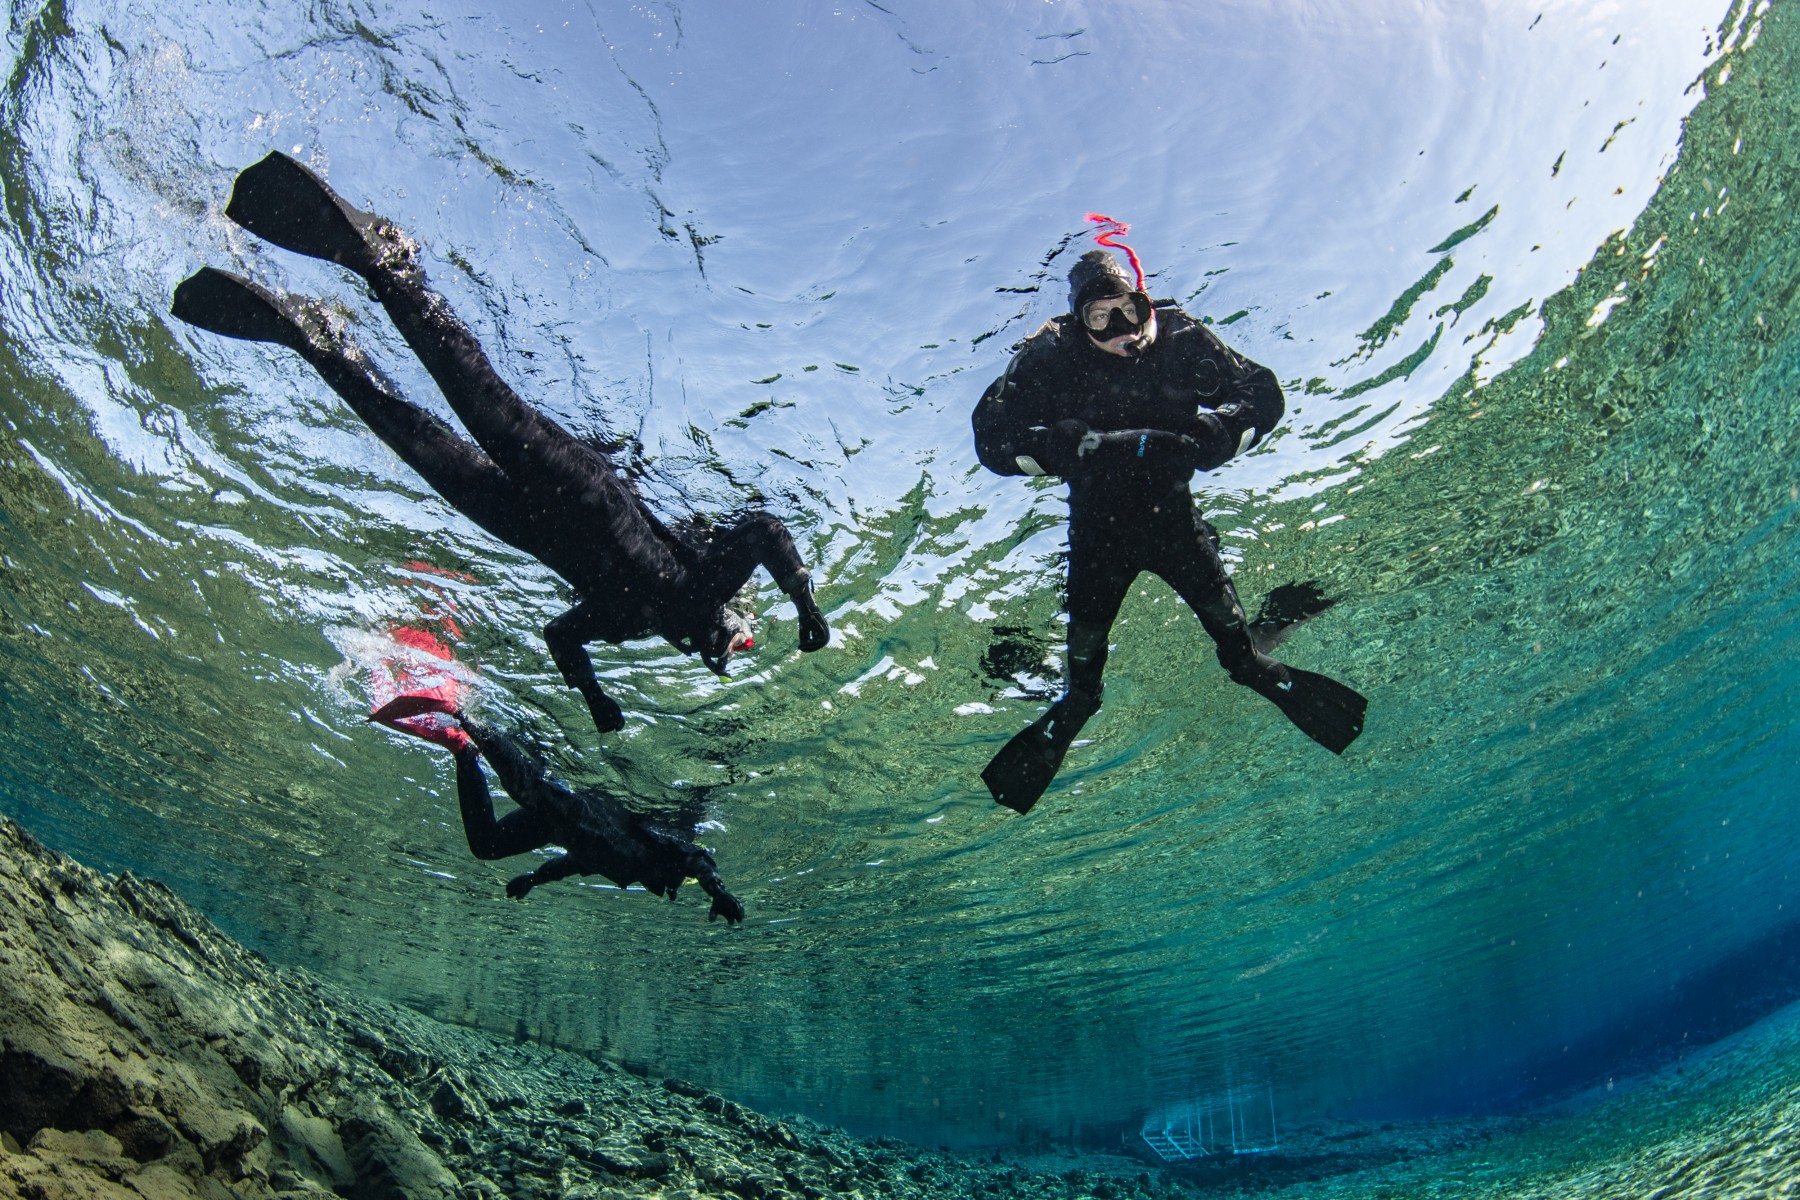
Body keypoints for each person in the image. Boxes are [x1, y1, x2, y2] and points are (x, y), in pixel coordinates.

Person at [171, 152, 830, 738]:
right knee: (475, 394)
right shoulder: (707, 575)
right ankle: (385, 263)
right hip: (577, 483)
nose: (728, 647)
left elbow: (560, 635)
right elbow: (766, 530)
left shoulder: (630, 622)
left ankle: (321, 345)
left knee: (412, 438)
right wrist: (805, 604)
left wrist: (595, 696)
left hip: (521, 523)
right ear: (739, 613)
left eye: (726, 657)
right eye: (743, 641)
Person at [971, 233, 1367, 813]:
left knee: (1241, 658)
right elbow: (990, 440)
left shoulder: (1182, 339)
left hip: (1176, 522)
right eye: (1098, 320)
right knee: (1083, 686)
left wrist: (1224, 432)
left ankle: (1260, 650)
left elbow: (1263, 393)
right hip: (1097, 537)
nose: (1119, 332)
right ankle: (1074, 705)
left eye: (1127, 312)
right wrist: (1047, 448)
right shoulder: (1048, 358)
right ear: (1078, 322)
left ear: (1145, 303)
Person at [370, 695, 745, 923]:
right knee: (524, 787)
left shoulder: (629, 872)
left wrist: (533, 879)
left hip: (555, 829)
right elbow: (697, 859)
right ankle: (462, 711)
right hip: (580, 813)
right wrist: (716, 890)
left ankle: (462, 749)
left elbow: (570, 867)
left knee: (487, 846)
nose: (675, 887)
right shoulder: (664, 852)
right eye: (683, 883)